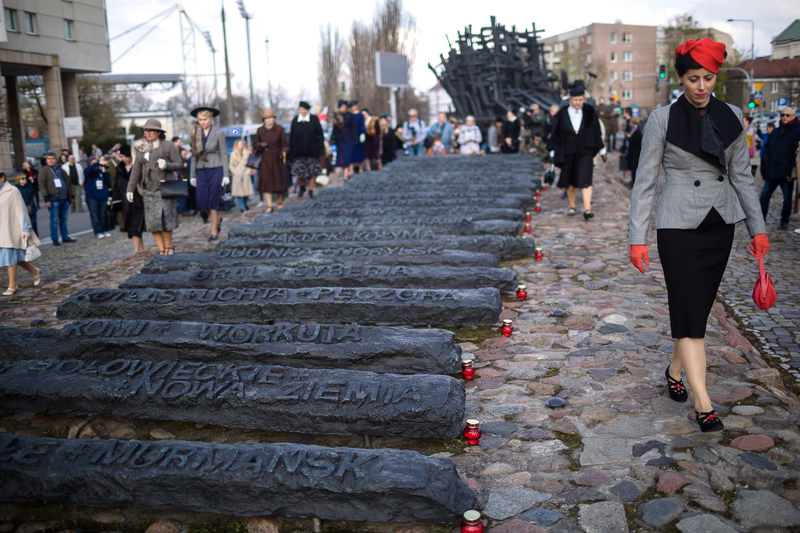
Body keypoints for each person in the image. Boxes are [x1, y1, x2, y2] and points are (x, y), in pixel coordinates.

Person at [629, 37, 769, 433]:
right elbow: (645, 181)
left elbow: (742, 177)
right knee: (689, 311)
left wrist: (757, 228)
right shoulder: (662, 119)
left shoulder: (732, 115)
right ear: (681, 79)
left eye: (708, 78)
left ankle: (675, 371)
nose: (701, 86)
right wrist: (637, 237)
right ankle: (703, 403)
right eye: (693, 79)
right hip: (677, 226)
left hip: (719, 226)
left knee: (696, 311)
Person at [551, 81, 607, 219]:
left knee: (586, 178)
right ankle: (572, 206)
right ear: (570, 99)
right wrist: (552, 151)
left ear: (584, 99)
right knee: (569, 180)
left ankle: (587, 210)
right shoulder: (562, 113)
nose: (578, 102)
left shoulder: (590, 111)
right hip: (568, 150)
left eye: (580, 100)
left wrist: (602, 150)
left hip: (585, 150)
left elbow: (596, 131)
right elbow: (556, 134)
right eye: (575, 100)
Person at [127, 118, 183, 255]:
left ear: (159, 132)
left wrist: (167, 165)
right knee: (153, 222)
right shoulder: (141, 147)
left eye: (151, 130)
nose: (148, 133)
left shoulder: (168, 145)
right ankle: (161, 249)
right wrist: (130, 189)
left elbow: (179, 164)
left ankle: (169, 247)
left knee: (166, 220)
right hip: (148, 190)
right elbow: (136, 170)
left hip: (165, 189)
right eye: (146, 130)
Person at [189, 106, 229, 241]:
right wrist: (192, 175)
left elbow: (224, 154)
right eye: (200, 120)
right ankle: (217, 219)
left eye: (205, 119)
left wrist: (226, 174)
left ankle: (214, 231)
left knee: (213, 199)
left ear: (211, 119)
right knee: (201, 200)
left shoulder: (218, 133)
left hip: (216, 168)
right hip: (201, 169)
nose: (202, 122)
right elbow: (194, 155)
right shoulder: (195, 133)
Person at [0, 172, 41, 296]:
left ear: (2, 177)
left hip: (10, 229)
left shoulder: (13, 191)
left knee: (10, 257)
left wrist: (25, 229)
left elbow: (20, 210)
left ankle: (12, 285)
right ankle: (34, 271)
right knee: (17, 258)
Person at [760, 107, 800, 230]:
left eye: (787, 115)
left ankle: (784, 220)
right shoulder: (776, 131)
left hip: (785, 173)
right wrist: (766, 162)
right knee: (764, 197)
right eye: (783, 115)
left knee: (787, 199)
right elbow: (766, 147)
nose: (784, 117)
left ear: (793, 116)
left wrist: (790, 172)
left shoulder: (796, 132)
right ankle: (760, 220)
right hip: (772, 171)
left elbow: (796, 154)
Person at [254, 108, 290, 212]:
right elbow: (255, 143)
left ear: (274, 118)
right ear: (264, 120)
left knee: (279, 182)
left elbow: (285, 143)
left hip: (277, 159)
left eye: (270, 118)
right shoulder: (260, 130)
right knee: (266, 183)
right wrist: (260, 145)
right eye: (267, 118)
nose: (269, 120)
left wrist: (284, 150)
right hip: (265, 160)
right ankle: (269, 205)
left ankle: (280, 202)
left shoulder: (279, 129)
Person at [38, 151, 76, 246]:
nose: (51, 160)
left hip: (64, 198)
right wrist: (46, 199)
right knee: (54, 220)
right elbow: (42, 185)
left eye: (52, 159)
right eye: (49, 159)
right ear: (46, 160)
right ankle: (55, 238)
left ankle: (65, 236)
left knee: (64, 219)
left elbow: (68, 183)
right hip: (53, 199)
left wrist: (72, 196)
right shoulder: (44, 171)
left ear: (56, 160)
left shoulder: (61, 170)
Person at [289, 101, 325, 199]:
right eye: (301, 109)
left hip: (311, 150)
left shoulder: (313, 119)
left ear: (307, 110)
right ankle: (302, 187)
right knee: (299, 172)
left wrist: (320, 146)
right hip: (298, 151)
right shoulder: (295, 120)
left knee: (311, 172)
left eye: (305, 109)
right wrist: (291, 149)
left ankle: (310, 190)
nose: (303, 111)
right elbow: (292, 136)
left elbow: (320, 133)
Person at [115, 145, 145, 253]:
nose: (125, 159)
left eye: (126, 156)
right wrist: (116, 200)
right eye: (122, 156)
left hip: (139, 199)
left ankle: (139, 250)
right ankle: (139, 249)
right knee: (132, 226)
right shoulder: (120, 168)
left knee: (137, 225)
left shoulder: (137, 166)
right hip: (126, 201)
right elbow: (117, 186)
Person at [83, 156, 113, 239]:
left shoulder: (100, 172)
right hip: (92, 197)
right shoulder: (89, 172)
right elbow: (88, 170)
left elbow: (107, 180)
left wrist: (104, 171)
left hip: (102, 196)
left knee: (103, 215)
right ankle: (98, 231)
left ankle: (103, 230)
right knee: (95, 215)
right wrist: (97, 163)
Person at [332, 99, 355, 181]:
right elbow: (334, 128)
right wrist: (333, 138)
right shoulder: (337, 116)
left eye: (344, 106)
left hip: (349, 139)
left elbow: (353, 127)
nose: (343, 108)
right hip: (340, 139)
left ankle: (346, 175)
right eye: (341, 107)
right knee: (341, 157)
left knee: (347, 156)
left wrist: (355, 138)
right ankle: (341, 175)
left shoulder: (350, 115)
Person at [229, 139, 255, 212]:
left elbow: (250, 163)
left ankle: (245, 204)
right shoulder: (233, 154)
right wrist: (235, 173)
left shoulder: (246, 153)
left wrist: (248, 172)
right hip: (237, 175)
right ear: (236, 145)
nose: (241, 146)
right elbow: (231, 165)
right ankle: (241, 207)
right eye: (239, 144)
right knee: (239, 193)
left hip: (245, 174)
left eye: (242, 144)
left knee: (247, 191)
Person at [13, 173, 38, 238]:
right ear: (19, 180)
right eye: (23, 178)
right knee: (25, 224)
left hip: (31, 206)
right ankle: (27, 238)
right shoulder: (16, 188)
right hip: (22, 207)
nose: (25, 180)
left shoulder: (29, 186)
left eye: (25, 178)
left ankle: (36, 237)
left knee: (34, 223)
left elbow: (32, 195)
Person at [349, 101, 367, 173]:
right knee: (351, 153)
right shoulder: (349, 115)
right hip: (351, 136)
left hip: (359, 135)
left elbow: (362, 125)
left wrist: (363, 133)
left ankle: (360, 168)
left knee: (360, 152)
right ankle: (351, 169)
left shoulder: (360, 115)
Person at [626, 117, 643, 188]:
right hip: (632, 151)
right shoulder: (633, 129)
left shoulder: (637, 131)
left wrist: (630, 137)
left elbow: (637, 141)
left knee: (634, 168)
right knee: (632, 168)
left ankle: (634, 182)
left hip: (635, 152)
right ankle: (632, 180)